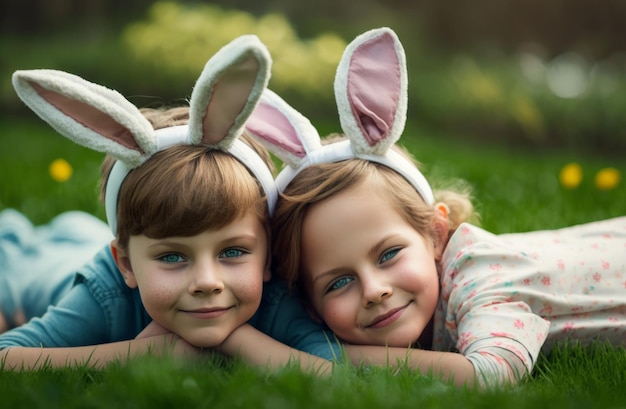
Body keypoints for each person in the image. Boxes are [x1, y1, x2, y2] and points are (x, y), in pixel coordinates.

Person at [246, 27, 626, 388]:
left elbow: (492, 376)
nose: (374, 291)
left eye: (389, 254)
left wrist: (343, 356)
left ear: (435, 234)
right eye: (338, 282)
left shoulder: (479, 276)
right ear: (311, 307)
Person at [0, 34, 339, 372]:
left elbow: (333, 370)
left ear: (268, 255)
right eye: (172, 256)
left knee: (76, 231)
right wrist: (143, 353)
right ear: (127, 265)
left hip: (84, 239)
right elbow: (7, 356)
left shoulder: (275, 298)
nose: (207, 282)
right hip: (37, 266)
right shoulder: (105, 292)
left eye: (232, 252)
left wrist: (238, 340)